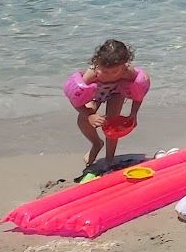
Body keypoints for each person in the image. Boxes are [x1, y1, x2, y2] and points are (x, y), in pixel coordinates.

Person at [64, 38, 149, 169]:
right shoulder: (91, 75)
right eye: (104, 71)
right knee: (83, 119)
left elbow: (138, 92)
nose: (109, 75)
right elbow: (74, 98)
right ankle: (96, 143)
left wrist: (134, 113)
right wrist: (89, 115)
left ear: (124, 65)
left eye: (114, 71)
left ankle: (110, 159)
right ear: (97, 63)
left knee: (112, 123)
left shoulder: (128, 73)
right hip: (94, 93)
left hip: (117, 92)